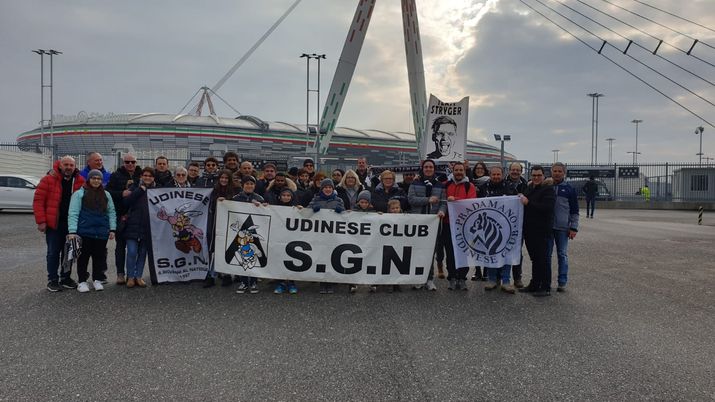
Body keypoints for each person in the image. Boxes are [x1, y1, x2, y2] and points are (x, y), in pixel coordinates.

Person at [33, 156, 86, 292]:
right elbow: (38, 201)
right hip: (54, 224)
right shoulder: (48, 179)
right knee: (53, 253)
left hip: (72, 224)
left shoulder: (80, 180)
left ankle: (65, 277)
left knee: (69, 252)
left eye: (71, 165)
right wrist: (41, 221)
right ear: (60, 165)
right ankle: (52, 279)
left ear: (75, 167)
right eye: (66, 164)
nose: (68, 167)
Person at [67, 169, 117, 292]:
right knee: (83, 257)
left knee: (99, 257)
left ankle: (97, 279)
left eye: (99, 179)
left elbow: (111, 212)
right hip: (84, 231)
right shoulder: (79, 194)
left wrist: (112, 229)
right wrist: (72, 231)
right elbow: (73, 213)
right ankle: (82, 281)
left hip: (101, 232)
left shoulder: (106, 195)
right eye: (93, 178)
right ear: (89, 179)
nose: (96, 181)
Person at [407, 159, 446, 290]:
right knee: (417, 251)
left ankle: (429, 279)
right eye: (426, 167)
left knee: (430, 251)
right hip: (418, 221)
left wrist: (442, 210)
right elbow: (411, 199)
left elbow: (443, 202)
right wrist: (428, 200)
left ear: (434, 169)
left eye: (430, 167)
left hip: (433, 223)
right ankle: (418, 278)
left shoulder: (440, 185)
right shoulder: (415, 183)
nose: (428, 169)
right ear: (422, 169)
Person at [479, 166, 517, 293]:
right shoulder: (483, 187)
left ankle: (506, 281)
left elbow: (515, 204)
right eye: (493, 174)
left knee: (507, 253)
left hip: (506, 226)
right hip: (489, 228)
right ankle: (492, 279)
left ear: (502, 175)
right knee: (491, 252)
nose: (496, 177)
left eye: (498, 174)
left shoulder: (510, 187)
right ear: (490, 175)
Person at [519, 165, 556, 297]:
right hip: (530, 230)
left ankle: (545, 287)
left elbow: (546, 208)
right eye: (534, 175)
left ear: (543, 176)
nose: (536, 178)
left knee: (543, 259)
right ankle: (534, 284)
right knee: (535, 259)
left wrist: (528, 203)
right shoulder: (530, 188)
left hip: (542, 230)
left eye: (539, 175)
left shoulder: (548, 190)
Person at [107, 154, 142, 285]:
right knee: (120, 246)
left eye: (133, 162)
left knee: (136, 248)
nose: (130, 164)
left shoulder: (141, 175)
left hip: (137, 216)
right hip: (121, 215)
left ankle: (133, 274)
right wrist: (121, 193)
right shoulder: (116, 175)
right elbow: (108, 192)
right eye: (127, 162)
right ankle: (120, 274)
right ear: (123, 162)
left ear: (136, 162)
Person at [308, 178, 346, 294]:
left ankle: (330, 282)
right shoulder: (315, 199)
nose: (328, 189)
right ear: (322, 189)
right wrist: (313, 209)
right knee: (321, 258)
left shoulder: (338, 200)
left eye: (330, 187)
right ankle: (322, 282)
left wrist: (341, 211)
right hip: (320, 235)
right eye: (325, 187)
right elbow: (307, 212)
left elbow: (346, 215)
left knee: (331, 258)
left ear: (333, 189)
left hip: (333, 235)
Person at [443, 162, 477, 291]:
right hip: (448, 223)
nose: (458, 172)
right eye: (456, 170)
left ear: (464, 171)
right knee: (450, 252)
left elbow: (471, 203)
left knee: (464, 252)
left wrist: (455, 199)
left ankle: (462, 278)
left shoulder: (469, 186)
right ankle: (452, 277)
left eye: (461, 170)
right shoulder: (446, 184)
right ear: (452, 171)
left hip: (464, 226)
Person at [123, 167, 157, 288]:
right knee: (132, 252)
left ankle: (138, 276)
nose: (147, 178)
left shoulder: (156, 190)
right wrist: (139, 190)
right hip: (133, 224)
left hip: (148, 226)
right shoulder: (134, 187)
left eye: (150, 176)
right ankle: (130, 276)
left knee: (143, 253)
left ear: (153, 178)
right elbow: (126, 202)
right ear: (141, 176)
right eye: (145, 175)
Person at [548, 163, 579, 293]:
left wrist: (574, 227)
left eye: (559, 171)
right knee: (547, 256)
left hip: (562, 228)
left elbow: (574, 210)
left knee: (562, 254)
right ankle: (546, 282)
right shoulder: (546, 187)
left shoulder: (569, 189)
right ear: (551, 172)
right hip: (548, 227)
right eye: (555, 171)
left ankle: (562, 282)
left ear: (564, 173)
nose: (557, 173)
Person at [232, 175, 266, 294]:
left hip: (254, 233)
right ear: (243, 185)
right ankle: (243, 282)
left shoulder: (259, 198)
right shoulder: (236, 198)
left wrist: (263, 206)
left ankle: (253, 282)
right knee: (242, 256)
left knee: (254, 256)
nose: (249, 186)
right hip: (241, 233)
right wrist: (222, 202)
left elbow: (266, 212)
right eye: (247, 183)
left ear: (254, 186)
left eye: (251, 184)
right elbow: (228, 209)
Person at [204, 170, 235, 288]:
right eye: (222, 177)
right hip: (215, 224)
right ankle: (211, 276)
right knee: (214, 250)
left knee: (227, 248)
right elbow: (209, 206)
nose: (224, 180)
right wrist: (217, 201)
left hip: (229, 224)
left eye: (226, 178)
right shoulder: (213, 191)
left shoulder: (235, 191)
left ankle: (227, 275)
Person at [272, 188, 301, 295]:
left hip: (291, 238)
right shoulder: (274, 208)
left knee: (291, 261)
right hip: (278, 238)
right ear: (280, 197)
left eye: (288, 195)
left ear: (292, 197)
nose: (286, 197)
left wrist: (301, 210)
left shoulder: (296, 208)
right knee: (279, 260)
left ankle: (291, 283)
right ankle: (281, 283)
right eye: (284, 195)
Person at [506, 162, 528, 288]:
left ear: (521, 171)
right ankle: (503, 278)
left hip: (519, 224)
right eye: (513, 169)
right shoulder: (503, 184)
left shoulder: (527, 185)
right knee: (502, 250)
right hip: (505, 223)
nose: (515, 172)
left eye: (517, 170)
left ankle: (517, 277)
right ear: (509, 171)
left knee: (517, 251)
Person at [350, 190, 376, 293]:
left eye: (366, 202)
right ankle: (353, 283)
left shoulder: (373, 212)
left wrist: (380, 216)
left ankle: (372, 283)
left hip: (369, 241)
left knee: (370, 261)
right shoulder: (354, 211)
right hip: (357, 240)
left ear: (369, 203)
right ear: (358, 202)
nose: (364, 204)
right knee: (355, 261)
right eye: (362, 202)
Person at [469, 161, 490, 282]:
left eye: (481, 168)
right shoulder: (470, 182)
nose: (479, 170)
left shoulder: (489, 182)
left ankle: (486, 271)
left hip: (486, 218)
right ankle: (477, 271)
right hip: (473, 218)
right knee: (475, 246)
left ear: (485, 170)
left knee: (487, 245)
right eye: (477, 168)